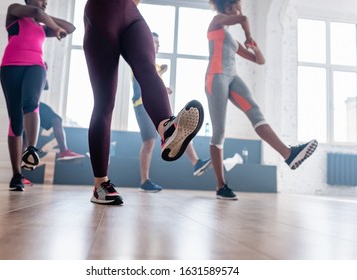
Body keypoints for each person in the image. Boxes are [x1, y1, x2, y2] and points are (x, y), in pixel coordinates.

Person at [83, 0, 204, 205]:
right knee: (104, 103)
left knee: (148, 68)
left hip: (131, 12)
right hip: (102, 10)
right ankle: (100, 184)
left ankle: (167, 128)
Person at [205, 0, 318, 200]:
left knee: (255, 112)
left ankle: (288, 154)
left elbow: (260, 60)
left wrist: (254, 47)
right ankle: (220, 185)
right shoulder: (216, 22)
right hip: (216, 78)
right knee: (219, 131)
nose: (240, 10)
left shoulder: (231, 40)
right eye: (238, 6)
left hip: (232, 77)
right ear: (229, 7)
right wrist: (248, 35)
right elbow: (244, 19)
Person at [0, 0, 75, 191]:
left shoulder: (42, 26)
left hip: (36, 66)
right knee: (15, 121)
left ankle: (31, 149)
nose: (46, 2)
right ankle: (17, 175)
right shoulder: (14, 11)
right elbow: (34, 10)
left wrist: (50, 23)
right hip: (10, 68)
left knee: (31, 103)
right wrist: (43, 17)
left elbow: (70, 28)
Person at [132, 32, 211, 192]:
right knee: (149, 142)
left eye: (159, 43)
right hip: (143, 105)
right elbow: (144, 83)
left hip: (156, 105)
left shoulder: (153, 64)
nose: (158, 45)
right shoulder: (141, 60)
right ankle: (144, 181)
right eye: (155, 42)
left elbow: (154, 83)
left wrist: (162, 84)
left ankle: (196, 162)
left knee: (180, 129)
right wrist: (160, 75)